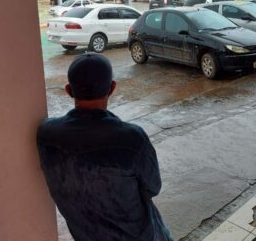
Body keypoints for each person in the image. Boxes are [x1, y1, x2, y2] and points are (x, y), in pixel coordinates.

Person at [37, 53, 172, 241]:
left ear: (68, 91)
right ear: (112, 88)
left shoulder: (46, 134)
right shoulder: (132, 140)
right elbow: (153, 188)